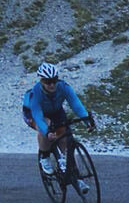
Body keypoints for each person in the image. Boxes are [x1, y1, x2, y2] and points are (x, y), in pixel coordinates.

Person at [22, 62, 96, 192]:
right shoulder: (36, 93)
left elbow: (75, 104)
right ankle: (45, 157)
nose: (51, 84)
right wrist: (46, 132)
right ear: (42, 81)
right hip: (33, 113)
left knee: (64, 136)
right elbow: (38, 117)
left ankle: (69, 170)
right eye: (47, 81)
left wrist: (86, 120)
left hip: (55, 111)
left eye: (54, 80)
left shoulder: (63, 87)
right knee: (47, 126)